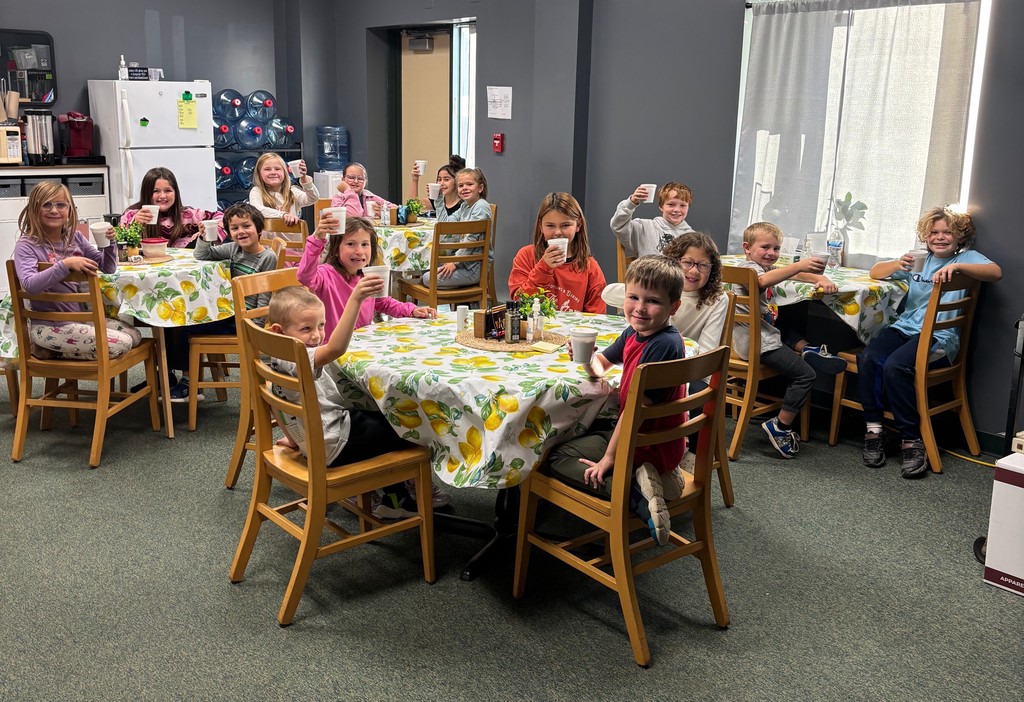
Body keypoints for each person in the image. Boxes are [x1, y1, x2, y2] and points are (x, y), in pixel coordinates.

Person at [546, 256, 689, 546]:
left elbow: (635, 413)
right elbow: (601, 367)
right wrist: (585, 360)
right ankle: (641, 477)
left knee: (555, 456)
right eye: (633, 297)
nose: (639, 307)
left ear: (673, 307)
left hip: (647, 441)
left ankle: (636, 496)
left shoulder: (663, 345)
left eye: (652, 301)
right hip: (652, 438)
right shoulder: (635, 333)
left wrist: (610, 458)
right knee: (583, 433)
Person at [267, 283, 443, 517]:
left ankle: (390, 495)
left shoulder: (275, 356)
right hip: (335, 442)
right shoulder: (297, 357)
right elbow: (335, 349)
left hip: (322, 436)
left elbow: (275, 404)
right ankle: (396, 501)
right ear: (280, 331)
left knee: (383, 417)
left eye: (321, 325)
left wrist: (294, 440)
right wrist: (356, 300)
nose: (317, 335)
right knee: (411, 424)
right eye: (306, 328)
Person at [859, 206, 1001, 478]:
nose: (940, 237)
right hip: (905, 328)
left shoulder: (967, 258)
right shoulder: (919, 260)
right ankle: (874, 430)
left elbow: (995, 272)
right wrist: (896, 264)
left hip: (939, 336)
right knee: (869, 358)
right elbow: (876, 272)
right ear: (925, 236)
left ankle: (911, 440)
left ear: (959, 237)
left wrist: (959, 267)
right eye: (934, 232)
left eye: (948, 232)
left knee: (895, 367)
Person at [732, 222, 847, 459]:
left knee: (784, 322)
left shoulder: (759, 267)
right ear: (747, 248)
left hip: (757, 333)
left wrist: (819, 277)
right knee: (807, 375)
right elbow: (762, 281)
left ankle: (807, 349)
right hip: (758, 344)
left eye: (776, 248)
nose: (771, 253)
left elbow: (790, 273)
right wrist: (798, 265)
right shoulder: (748, 269)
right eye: (765, 247)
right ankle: (780, 426)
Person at [13, 180, 142, 359]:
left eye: (61, 205)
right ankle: (53, 351)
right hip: (49, 326)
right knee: (123, 342)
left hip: (82, 320)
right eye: (46, 205)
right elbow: (30, 285)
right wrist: (65, 265)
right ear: (34, 210)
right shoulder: (27, 245)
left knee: (135, 336)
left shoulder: (75, 238)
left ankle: (57, 352)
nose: (54, 210)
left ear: (70, 210)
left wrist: (110, 243)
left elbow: (107, 268)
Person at [164, 202, 278, 402]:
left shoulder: (267, 257)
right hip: (228, 311)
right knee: (180, 320)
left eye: (246, 226)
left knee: (184, 327)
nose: (240, 232)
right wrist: (204, 237)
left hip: (242, 320)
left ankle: (188, 384)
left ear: (259, 228)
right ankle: (173, 376)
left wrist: (254, 330)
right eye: (234, 228)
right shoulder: (235, 249)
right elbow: (203, 255)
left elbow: (264, 299)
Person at [297, 214, 437, 338]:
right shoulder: (325, 274)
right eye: (351, 244)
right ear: (336, 250)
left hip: (362, 345)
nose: (359, 251)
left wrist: (412, 310)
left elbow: (383, 302)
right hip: (333, 351)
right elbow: (305, 277)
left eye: (365, 244)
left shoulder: (367, 276)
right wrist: (316, 239)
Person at [602, 231, 728, 354]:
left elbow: (707, 352)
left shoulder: (717, 299)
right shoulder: (658, 289)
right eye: (687, 262)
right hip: (637, 352)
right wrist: (645, 294)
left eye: (703, 265)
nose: (694, 271)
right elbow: (607, 294)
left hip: (677, 362)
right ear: (673, 261)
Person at [508, 192, 606, 313]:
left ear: (578, 225)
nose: (558, 232)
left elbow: (597, 315)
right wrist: (543, 268)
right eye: (550, 225)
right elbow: (519, 302)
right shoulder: (526, 256)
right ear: (541, 226)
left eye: (565, 225)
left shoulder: (590, 267)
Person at [421, 167, 491, 290]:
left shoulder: (481, 207)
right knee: (425, 270)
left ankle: (465, 298)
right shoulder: (465, 206)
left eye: (469, 184)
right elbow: (446, 226)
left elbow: (472, 239)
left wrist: (454, 262)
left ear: (480, 188)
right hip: (463, 263)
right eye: (460, 185)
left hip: (473, 268)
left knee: (428, 278)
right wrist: (438, 199)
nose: (464, 188)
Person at [121, 167, 223, 247]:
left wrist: (204, 234)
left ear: (175, 193)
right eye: (155, 191)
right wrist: (134, 225)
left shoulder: (188, 215)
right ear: (147, 194)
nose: (162, 196)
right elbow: (119, 246)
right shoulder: (131, 215)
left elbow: (223, 218)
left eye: (168, 190)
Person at [610, 181, 694, 258]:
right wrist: (631, 203)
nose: (676, 210)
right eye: (671, 204)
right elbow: (618, 225)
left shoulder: (693, 237)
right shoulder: (644, 228)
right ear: (661, 207)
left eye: (682, 205)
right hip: (649, 273)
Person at [247, 153, 318, 227]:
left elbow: (313, 198)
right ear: (259, 174)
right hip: (268, 239)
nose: (273, 172)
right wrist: (283, 215)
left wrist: (304, 179)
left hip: (294, 238)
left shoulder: (293, 191)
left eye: (277, 169)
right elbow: (257, 209)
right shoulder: (257, 191)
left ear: (285, 172)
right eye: (267, 169)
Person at [409, 154, 466, 221]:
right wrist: (415, 179)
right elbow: (413, 205)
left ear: (457, 181)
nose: (441, 183)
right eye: (439, 179)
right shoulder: (437, 201)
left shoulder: (463, 205)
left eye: (446, 179)